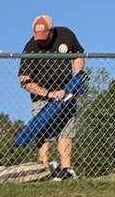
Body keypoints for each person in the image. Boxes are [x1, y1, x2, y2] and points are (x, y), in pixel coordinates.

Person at [18, 15, 85, 180]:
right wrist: (48, 93)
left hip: (66, 93)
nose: (41, 41)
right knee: (43, 133)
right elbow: (24, 81)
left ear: (51, 31)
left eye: (44, 37)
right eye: (37, 37)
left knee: (66, 130)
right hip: (42, 97)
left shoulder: (66, 35)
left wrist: (76, 80)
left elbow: (79, 56)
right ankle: (43, 170)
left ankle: (66, 170)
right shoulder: (31, 47)